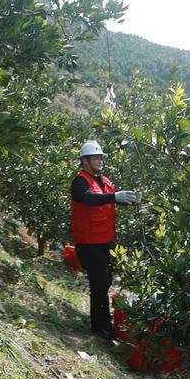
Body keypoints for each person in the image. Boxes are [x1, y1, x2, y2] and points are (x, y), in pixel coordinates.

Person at [70, 140, 141, 339]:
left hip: (105, 240)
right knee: (99, 282)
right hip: (88, 242)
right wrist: (115, 197)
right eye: (96, 158)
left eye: (101, 157)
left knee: (106, 281)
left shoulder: (104, 181)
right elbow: (88, 198)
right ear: (85, 161)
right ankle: (99, 327)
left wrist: (130, 199)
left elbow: (109, 201)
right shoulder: (80, 182)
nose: (100, 161)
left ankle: (102, 322)